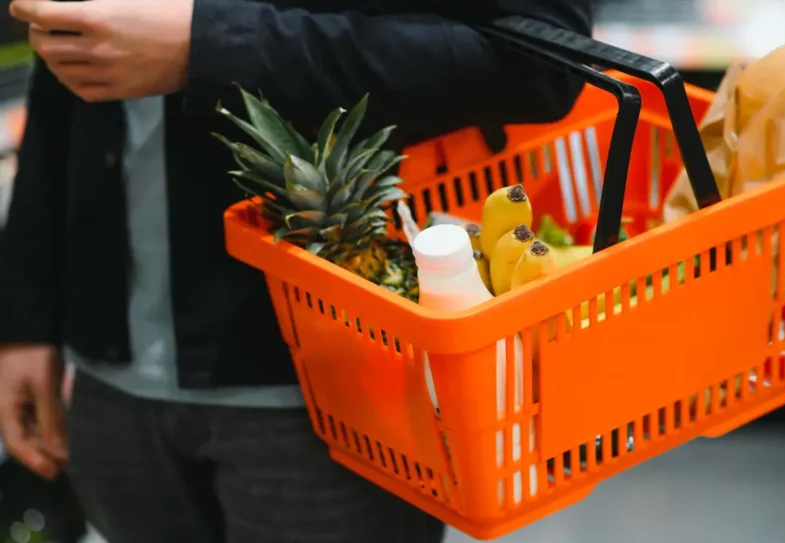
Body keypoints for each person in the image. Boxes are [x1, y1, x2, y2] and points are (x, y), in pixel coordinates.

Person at [0, 0, 592, 541]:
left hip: (334, 383)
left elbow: (543, 57)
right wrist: (26, 311)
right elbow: (65, 46)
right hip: (111, 372)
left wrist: (212, 48)